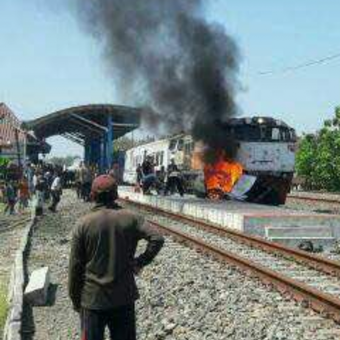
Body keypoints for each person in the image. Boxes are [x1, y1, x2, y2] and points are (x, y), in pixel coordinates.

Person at [68, 175, 164, 340]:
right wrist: (140, 262)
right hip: (123, 297)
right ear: (116, 195)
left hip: (92, 301)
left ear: (92, 195)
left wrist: (76, 300)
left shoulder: (83, 224)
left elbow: (75, 268)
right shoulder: (132, 218)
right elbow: (157, 238)